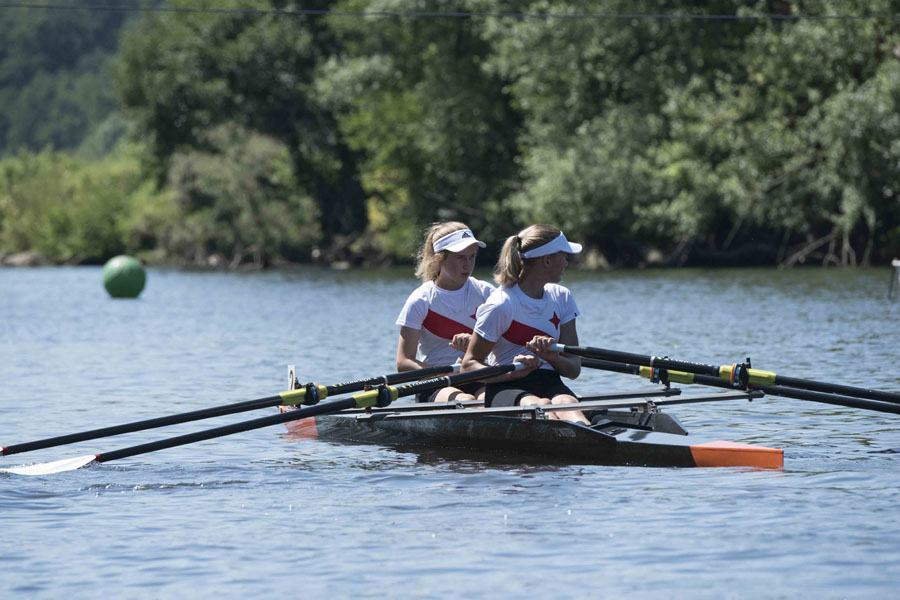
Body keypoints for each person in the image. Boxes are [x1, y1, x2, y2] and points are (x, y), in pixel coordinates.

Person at [461, 224, 589, 425]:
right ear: (547, 260)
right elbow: (468, 367)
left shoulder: (562, 298)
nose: (566, 261)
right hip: (506, 387)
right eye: (563, 255)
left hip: (550, 382)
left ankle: (593, 444)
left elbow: (573, 369)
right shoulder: (501, 304)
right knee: (539, 407)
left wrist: (553, 358)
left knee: (568, 405)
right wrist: (512, 371)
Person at [395, 222, 496, 403]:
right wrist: (442, 372)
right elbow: (403, 362)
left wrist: (474, 346)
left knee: (488, 401)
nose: (468, 265)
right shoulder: (421, 300)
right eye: (460, 258)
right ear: (439, 258)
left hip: (476, 377)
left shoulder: (486, 293)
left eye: (472, 257)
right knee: (466, 401)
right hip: (435, 383)